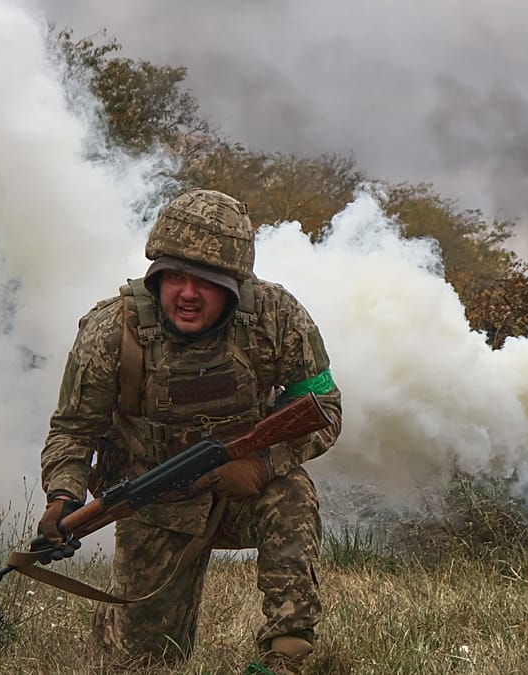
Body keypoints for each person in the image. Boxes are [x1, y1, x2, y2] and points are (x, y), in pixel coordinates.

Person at [39, 188, 342, 674]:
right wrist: (63, 495)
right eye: (174, 276)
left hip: (245, 494)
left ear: (234, 286)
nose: (187, 294)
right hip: (156, 503)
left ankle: (288, 650)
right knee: (143, 662)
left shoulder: (276, 317)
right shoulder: (112, 330)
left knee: (291, 493)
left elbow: (324, 405)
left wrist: (262, 464)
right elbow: (74, 430)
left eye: (205, 282)